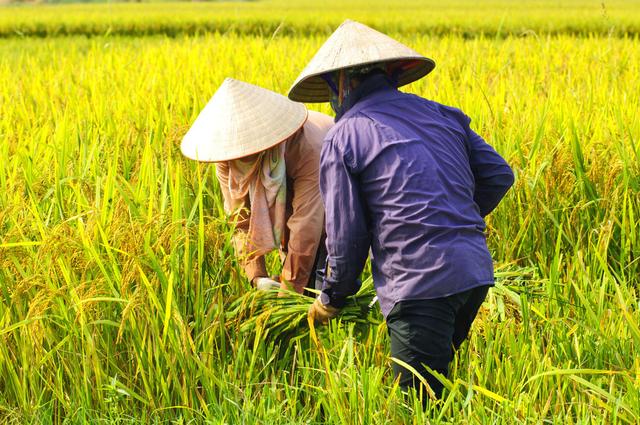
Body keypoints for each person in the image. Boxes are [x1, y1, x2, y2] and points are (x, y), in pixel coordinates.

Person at [289, 20, 514, 401]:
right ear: (391, 75)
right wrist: (450, 217)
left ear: (342, 84)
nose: (331, 101)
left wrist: (331, 299)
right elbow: (499, 175)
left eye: (332, 91)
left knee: (418, 405)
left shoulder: (344, 134)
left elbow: (345, 236)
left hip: (419, 281)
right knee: (438, 390)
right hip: (473, 273)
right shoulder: (443, 114)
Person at [181, 78, 333, 294]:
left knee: (321, 285)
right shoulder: (226, 160)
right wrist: (257, 276)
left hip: (333, 198)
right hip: (292, 204)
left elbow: (307, 225)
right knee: (293, 276)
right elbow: (239, 220)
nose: (242, 154)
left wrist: (289, 289)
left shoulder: (307, 145)